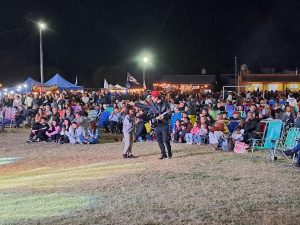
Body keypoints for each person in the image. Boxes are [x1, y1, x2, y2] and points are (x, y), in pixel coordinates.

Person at [149, 91, 172, 159]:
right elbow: (149, 113)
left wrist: (164, 117)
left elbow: (169, 114)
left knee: (165, 140)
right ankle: (163, 154)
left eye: (152, 97)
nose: (151, 98)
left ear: (156, 97)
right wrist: (153, 117)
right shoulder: (153, 105)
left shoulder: (166, 104)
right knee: (159, 140)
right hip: (157, 125)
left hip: (164, 124)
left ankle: (169, 151)